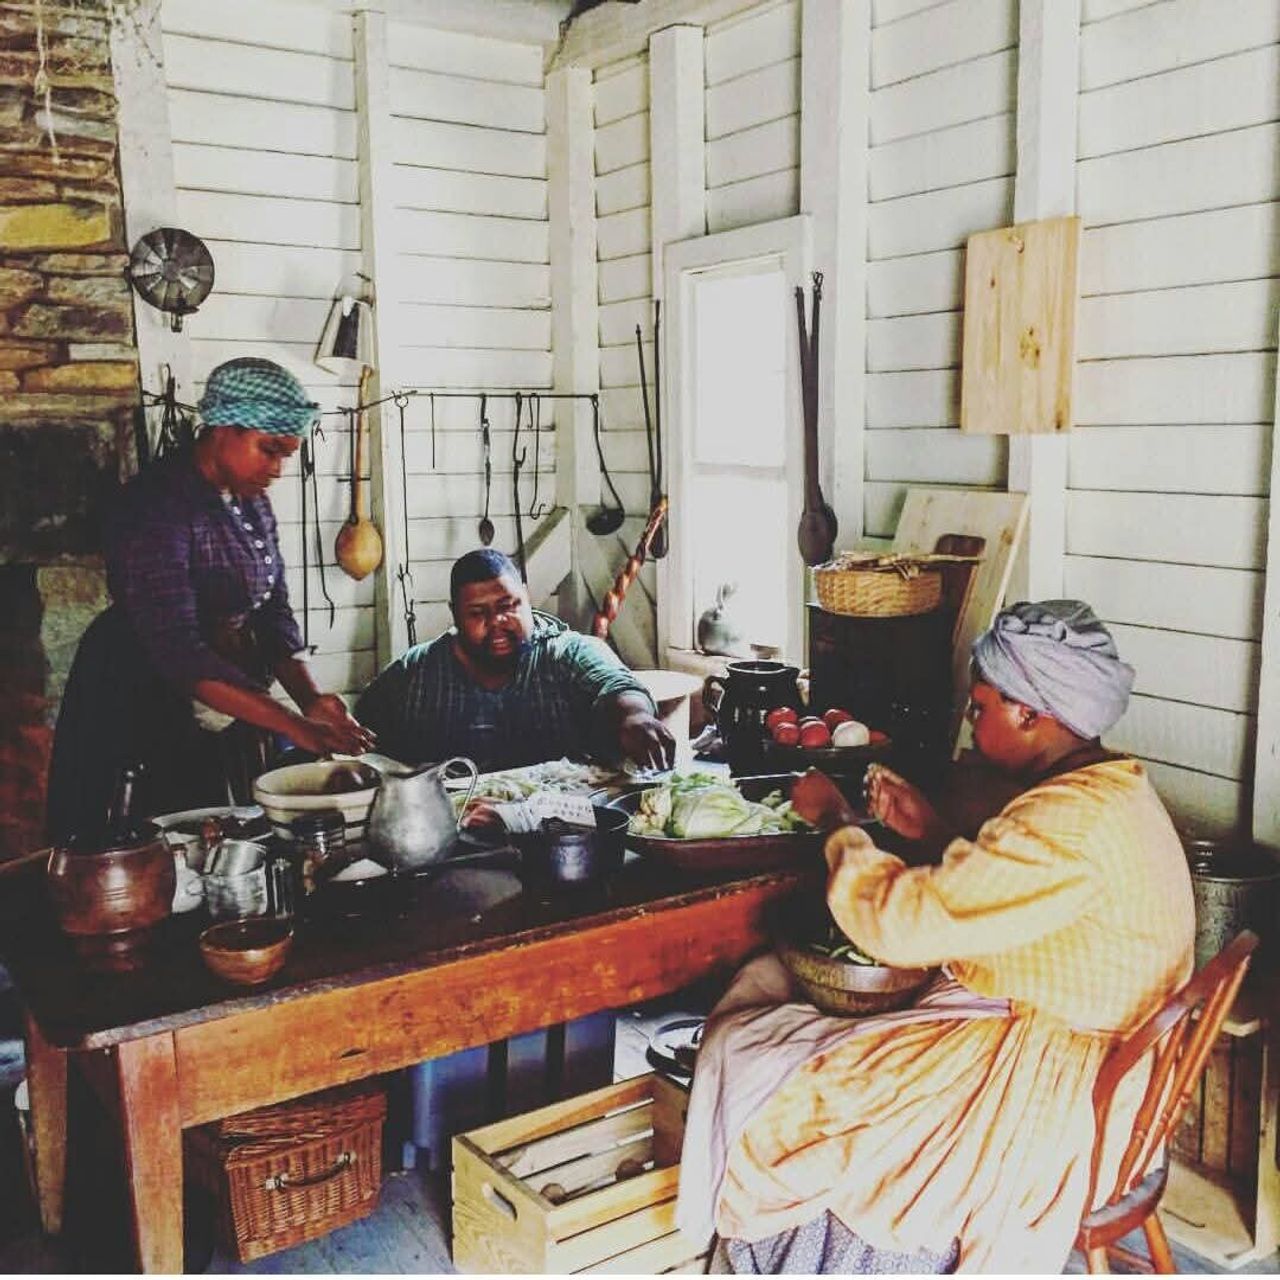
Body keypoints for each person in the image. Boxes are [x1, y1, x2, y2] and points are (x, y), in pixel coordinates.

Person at [676, 600, 1195, 1274]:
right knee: (776, 1009)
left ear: (1030, 715)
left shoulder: (1067, 824)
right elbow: (1023, 892)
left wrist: (837, 820)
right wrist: (935, 835)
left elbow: (896, 923)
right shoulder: (1107, 790)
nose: (971, 726)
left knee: (771, 1064)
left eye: (981, 708)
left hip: (1060, 1088)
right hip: (1090, 1050)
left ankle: (794, 1251)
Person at [47, 357, 374, 841]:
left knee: (222, 833)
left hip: (225, 692)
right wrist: (290, 721)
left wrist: (311, 700)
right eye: (269, 450)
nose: (278, 469)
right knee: (154, 838)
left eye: (287, 454)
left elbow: (273, 609)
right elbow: (179, 654)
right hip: (139, 698)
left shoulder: (249, 502)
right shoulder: (155, 505)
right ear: (222, 427)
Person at [355, 548, 674, 772]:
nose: (497, 622)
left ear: (526, 596)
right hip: (448, 836)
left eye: (509, 606)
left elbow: (616, 684)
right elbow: (361, 732)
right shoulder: (416, 673)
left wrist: (635, 717)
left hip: (556, 833)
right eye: (478, 613)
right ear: (455, 615)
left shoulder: (566, 653)